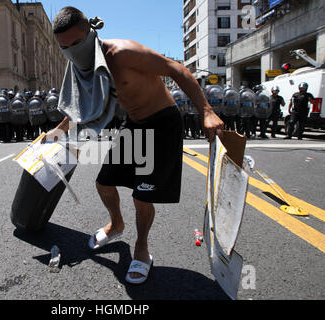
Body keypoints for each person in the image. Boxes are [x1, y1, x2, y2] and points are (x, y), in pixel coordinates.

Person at [43, 7, 223, 284]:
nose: (71, 51)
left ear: (91, 34)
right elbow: (81, 105)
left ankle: (142, 249)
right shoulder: (83, 67)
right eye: (63, 47)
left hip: (162, 123)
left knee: (142, 196)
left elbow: (176, 68)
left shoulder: (123, 52)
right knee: (104, 183)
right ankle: (116, 224)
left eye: (76, 43)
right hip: (135, 125)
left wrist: (207, 111)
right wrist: (58, 130)